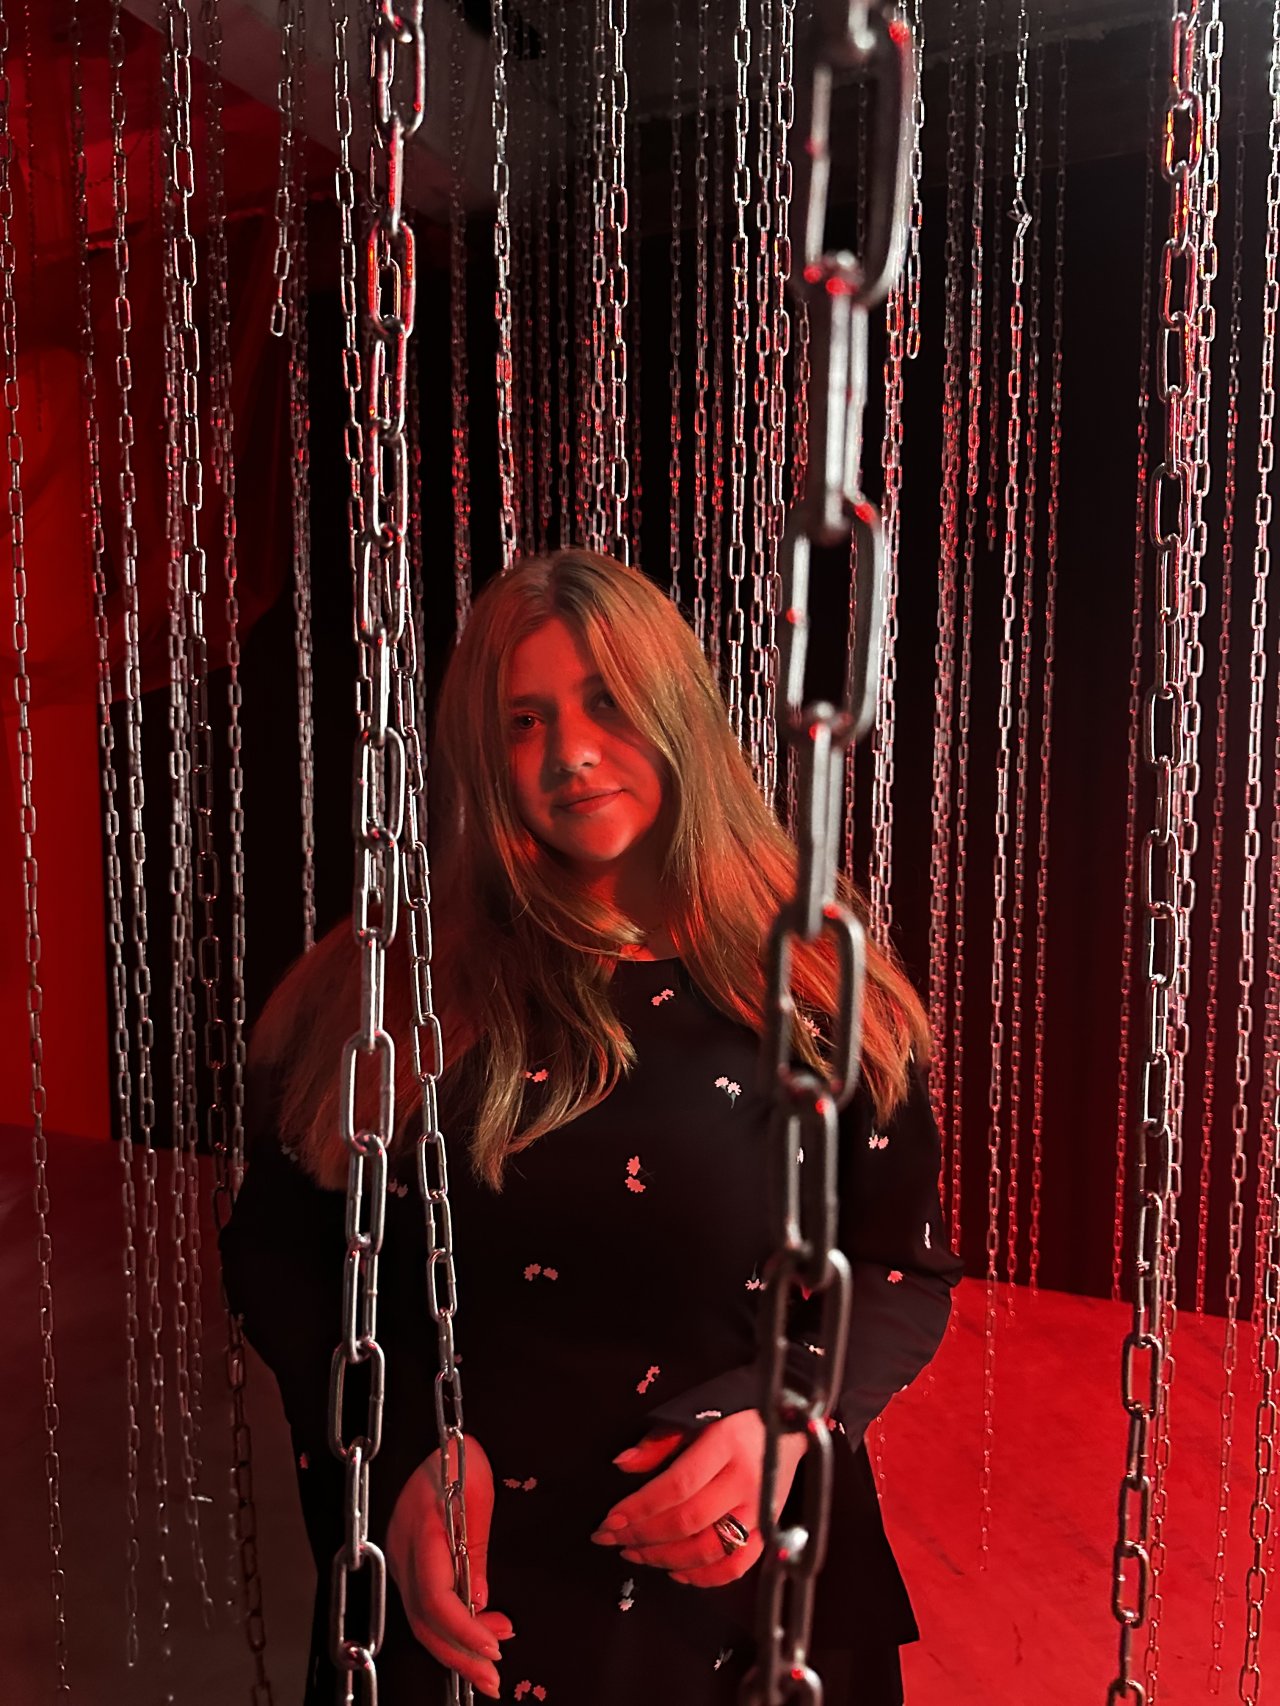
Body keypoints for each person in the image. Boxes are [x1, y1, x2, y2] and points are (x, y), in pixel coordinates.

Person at [220, 548, 962, 1706]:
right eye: (523, 720)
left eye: (606, 701)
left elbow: (898, 1266)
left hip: (742, 1589)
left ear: (679, 716)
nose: (568, 751)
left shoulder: (820, 983)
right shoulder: (381, 990)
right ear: (482, 756)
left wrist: (788, 1416)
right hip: (469, 1589)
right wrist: (397, 1450)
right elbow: (281, 1253)